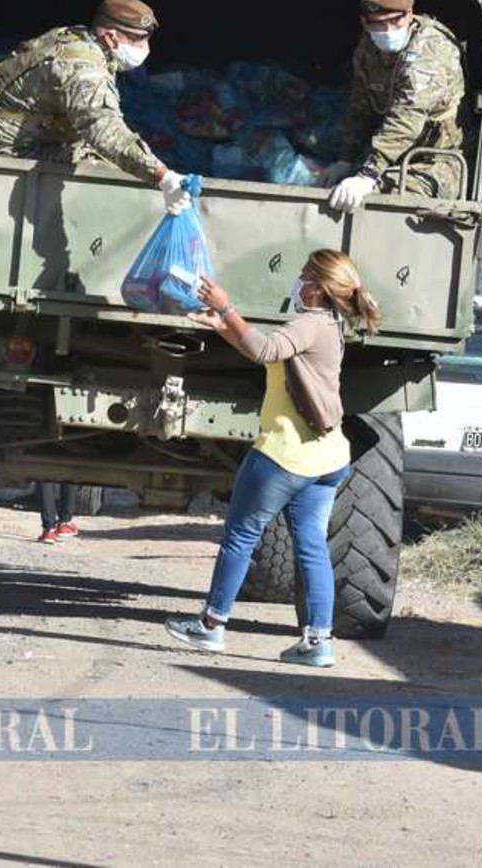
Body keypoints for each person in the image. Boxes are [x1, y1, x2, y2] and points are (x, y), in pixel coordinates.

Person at [165, 249, 381, 668]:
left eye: (302, 275)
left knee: (240, 537)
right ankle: (318, 640)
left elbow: (265, 350)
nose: (296, 281)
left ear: (317, 288)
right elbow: (272, 354)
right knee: (312, 547)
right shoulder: (331, 325)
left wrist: (225, 306)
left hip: (285, 454)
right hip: (326, 457)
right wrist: (224, 327)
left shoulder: (309, 323)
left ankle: (211, 626)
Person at [0, 0, 192, 214]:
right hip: (14, 152)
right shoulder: (83, 68)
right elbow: (105, 132)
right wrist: (163, 177)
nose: (145, 47)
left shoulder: (78, 38)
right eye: (137, 39)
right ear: (111, 38)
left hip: (31, 138)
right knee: (118, 186)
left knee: (110, 164)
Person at [325, 0, 468, 213]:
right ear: (365, 23)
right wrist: (345, 159)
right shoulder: (368, 49)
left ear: (410, 14)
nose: (388, 31)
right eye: (379, 24)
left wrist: (368, 175)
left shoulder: (431, 51)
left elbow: (406, 119)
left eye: (395, 20)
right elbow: (360, 106)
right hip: (391, 156)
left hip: (436, 161)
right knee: (328, 186)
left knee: (384, 200)